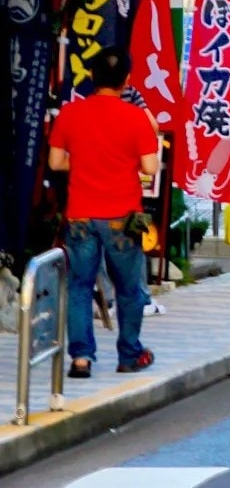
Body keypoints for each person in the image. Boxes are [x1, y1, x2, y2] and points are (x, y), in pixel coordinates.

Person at [48, 50, 160, 378]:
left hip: (80, 215)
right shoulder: (135, 117)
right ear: (127, 80)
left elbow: (56, 162)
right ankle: (129, 354)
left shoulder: (71, 113)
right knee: (129, 289)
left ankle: (81, 358)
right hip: (123, 217)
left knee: (80, 287)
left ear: (92, 77)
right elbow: (150, 167)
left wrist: (82, 164)